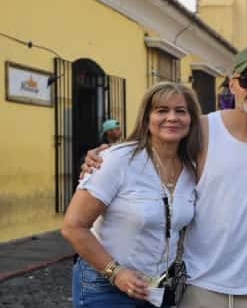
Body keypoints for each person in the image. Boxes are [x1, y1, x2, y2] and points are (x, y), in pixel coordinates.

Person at [84, 45, 247, 308]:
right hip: (202, 285)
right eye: (246, 80)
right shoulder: (202, 128)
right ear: (232, 84)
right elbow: (154, 147)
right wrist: (105, 155)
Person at [62, 82, 203, 307]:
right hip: (104, 286)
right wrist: (116, 273)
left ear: (192, 119)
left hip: (155, 289)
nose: (172, 118)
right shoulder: (117, 159)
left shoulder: (193, 169)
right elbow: (73, 226)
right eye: (162, 110)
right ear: (146, 118)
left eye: (180, 111)